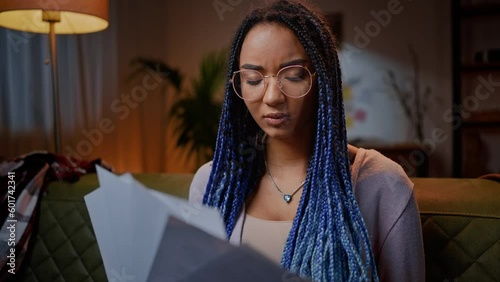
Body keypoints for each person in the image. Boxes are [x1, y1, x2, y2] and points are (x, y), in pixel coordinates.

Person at [189, 0, 425, 281]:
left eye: (293, 76)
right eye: (253, 79)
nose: (272, 96)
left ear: (322, 78)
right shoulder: (212, 184)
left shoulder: (383, 185)